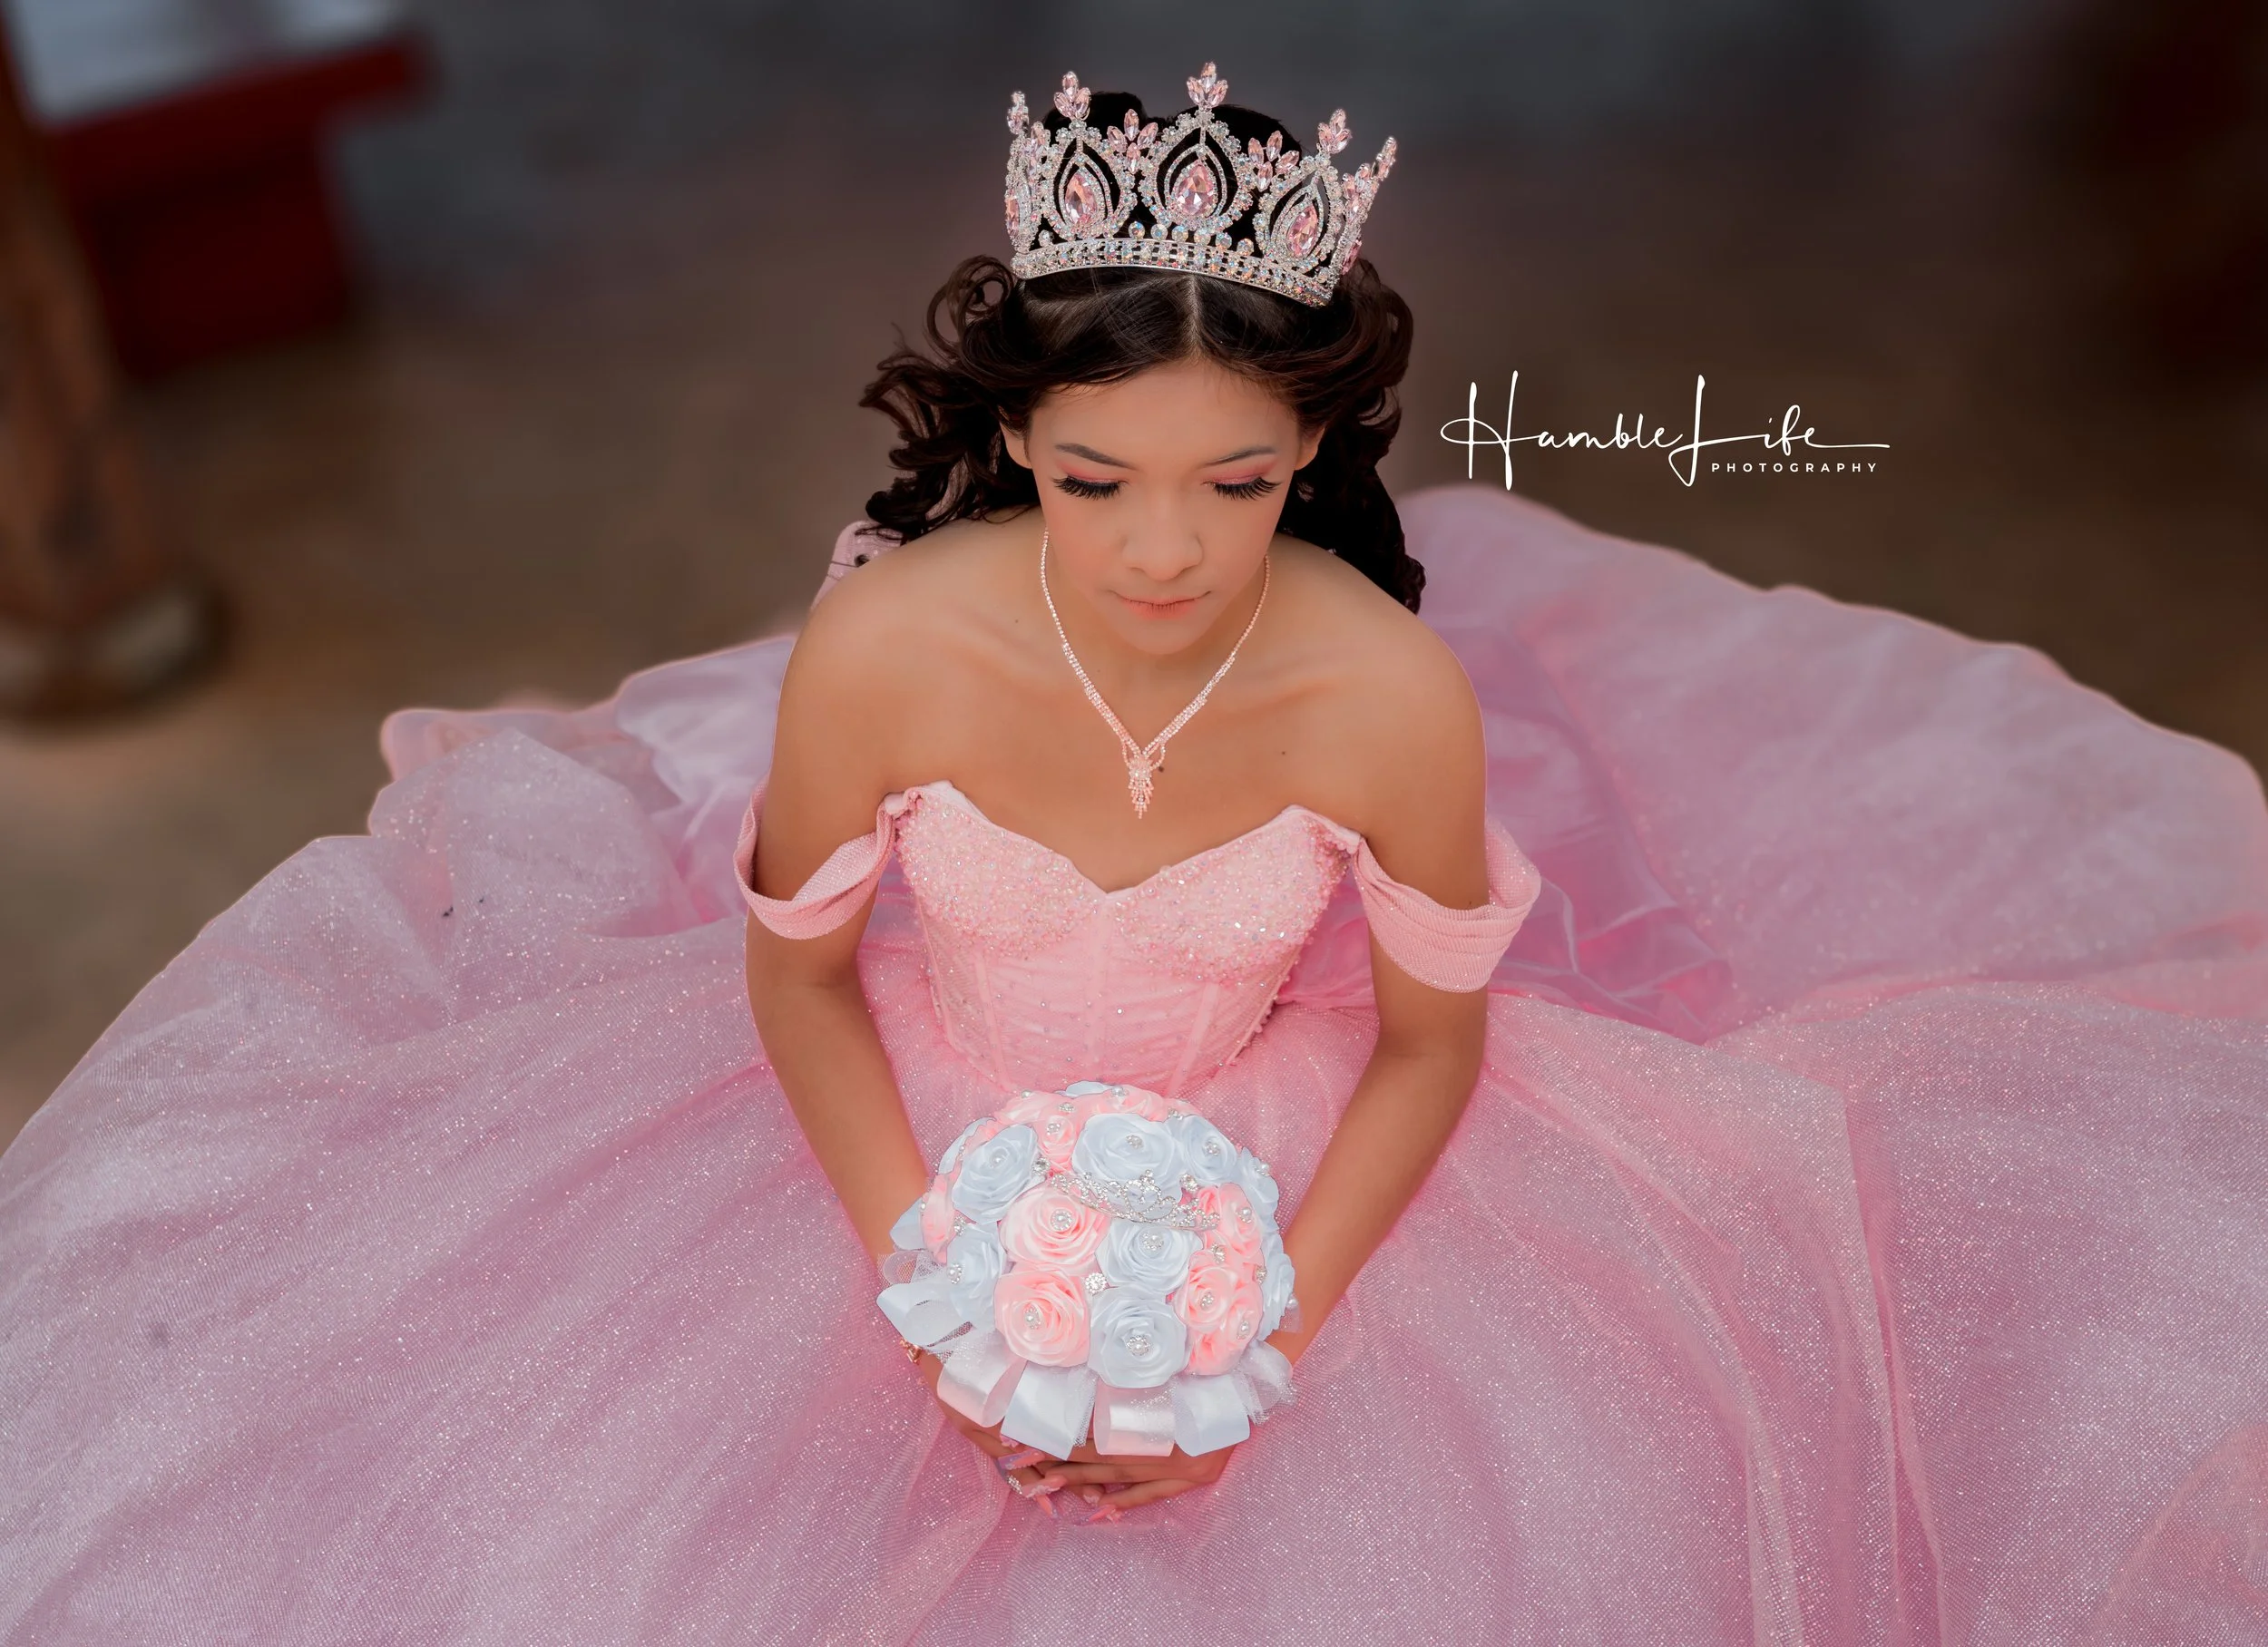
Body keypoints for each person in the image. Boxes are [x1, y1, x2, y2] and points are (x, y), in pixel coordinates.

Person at [4, 59, 2266, 1645]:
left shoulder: (1386, 695)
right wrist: (931, 1276)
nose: (1164, 552)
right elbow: (796, 974)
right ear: (1014, 435)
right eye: (1096, 481)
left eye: (1235, 481)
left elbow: (1424, 1044)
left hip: (1288, 1176)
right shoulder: (887, 645)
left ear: (1311, 449)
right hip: (886, 1140)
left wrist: (1259, 1328)